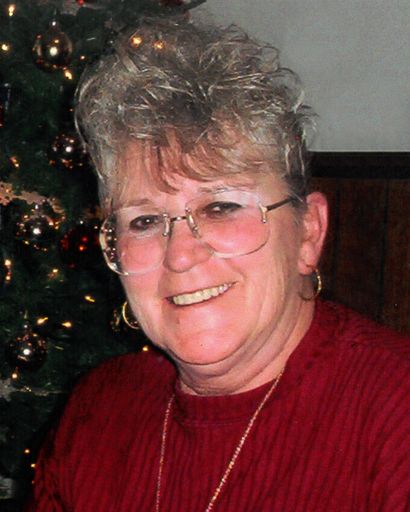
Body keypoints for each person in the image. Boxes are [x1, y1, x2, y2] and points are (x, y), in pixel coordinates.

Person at [27, 15, 410, 512]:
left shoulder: (394, 414)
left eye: (221, 207)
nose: (181, 255)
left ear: (308, 232)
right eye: (144, 221)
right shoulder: (97, 412)